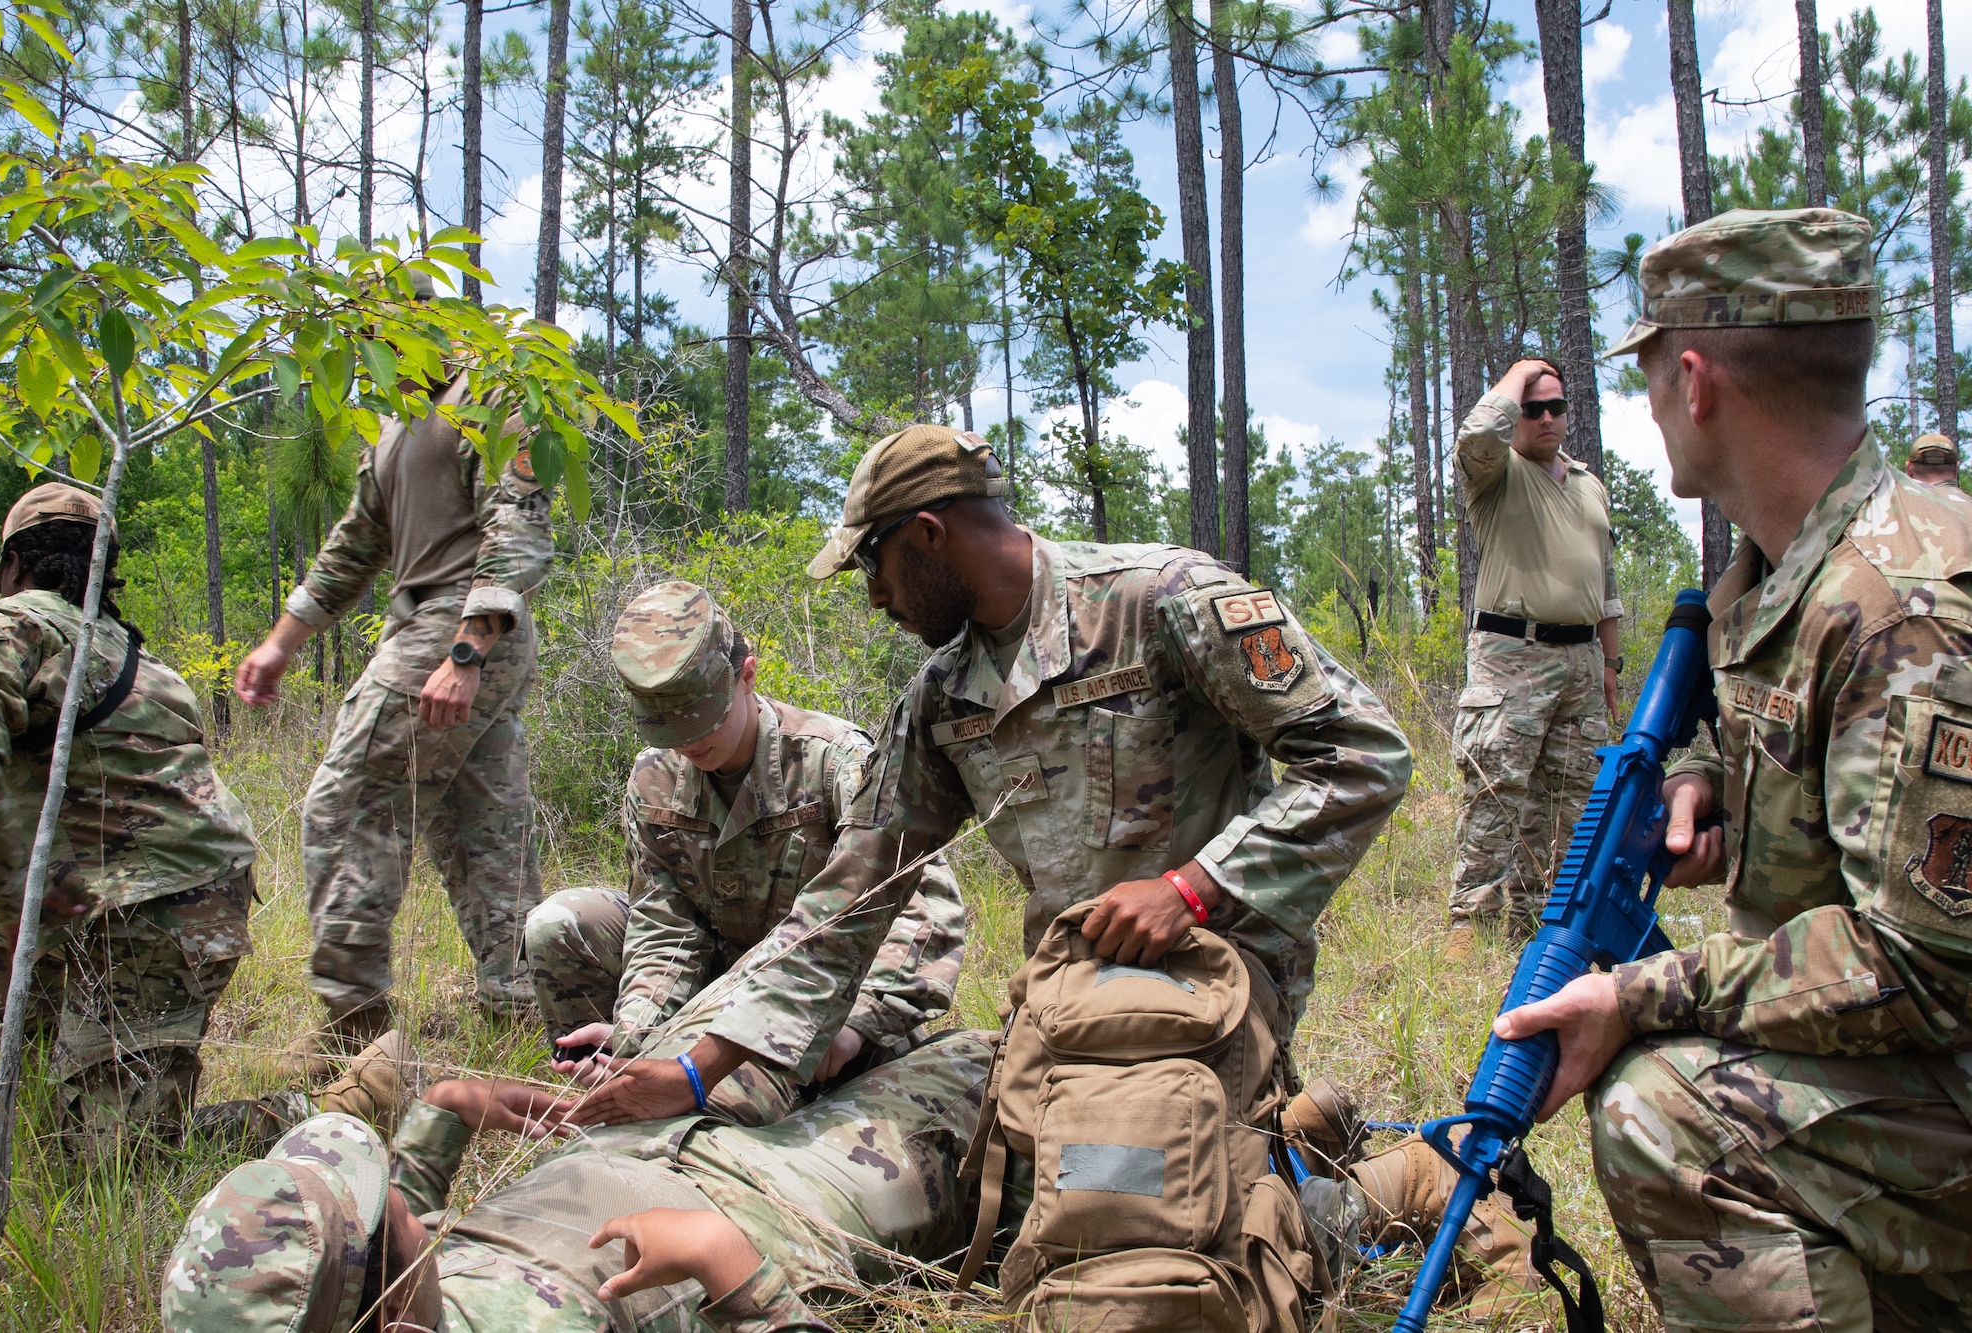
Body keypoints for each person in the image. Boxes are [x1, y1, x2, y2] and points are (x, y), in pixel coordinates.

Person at [559, 425, 1409, 1188]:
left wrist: (1193, 888)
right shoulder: (940, 698)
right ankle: (1285, 1147)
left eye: (874, 567)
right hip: (1066, 1001)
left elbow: (1364, 756)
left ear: (928, 535)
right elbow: (849, 898)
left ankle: (1379, 1192)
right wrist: (703, 1068)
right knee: (976, 1179)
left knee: (1123, 1209)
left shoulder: (1162, 601)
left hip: (1212, 980)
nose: (875, 600)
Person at [1495, 208, 1972, 1331]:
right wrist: (1700, 779)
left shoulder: (1906, 610)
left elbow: (1921, 965)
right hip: (1913, 1058)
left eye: (1649, 371)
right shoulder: (1774, 574)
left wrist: (1637, 993)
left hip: (1938, 1041)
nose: (1646, 401)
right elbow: (1764, 709)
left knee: (1660, 1110)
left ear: (1695, 380)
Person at [160, 1029, 999, 1332]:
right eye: (378, 1218)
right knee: (987, 1060)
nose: (394, 1204)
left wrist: (453, 1106)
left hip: (643, 1138)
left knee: (763, 1025)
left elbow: (409, 1226)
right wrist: (728, 1266)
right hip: (776, 1200)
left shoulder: (398, 1295)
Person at [524, 579, 963, 1125]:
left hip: (826, 1002)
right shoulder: (655, 780)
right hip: (716, 998)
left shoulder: (836, 762)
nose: (688, 743)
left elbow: (924, 910)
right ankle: (614, 1089)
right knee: (558, 922)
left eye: (702, 719)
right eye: (670, 729)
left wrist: (855, 1029)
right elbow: (666, 925)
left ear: (747, 675)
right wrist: (633, 1033)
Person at [233, 357, 553, 1069]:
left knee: (348, 806)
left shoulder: (487, 394)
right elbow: (356, 544)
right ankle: (523, 1011)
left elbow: (518, 532)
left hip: (462, 625)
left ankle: (354, 1028)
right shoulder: (392, 425)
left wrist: (465, 653)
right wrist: (283, 642)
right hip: (434, 627)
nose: (367, 345)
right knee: (482, 824)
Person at [0, 484, 259, 1155]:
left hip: (151, 912)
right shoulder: (137, 656)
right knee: (38, 1133)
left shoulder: (11, 622)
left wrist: (17, 896)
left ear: (14, 563)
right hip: (180, 899)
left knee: (117, 1162)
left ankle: (346, 1101)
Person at [1447, 357, 1623, 959]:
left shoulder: (1588, 483)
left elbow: (1606, 580)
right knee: (1496, 791)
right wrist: (1522, 369)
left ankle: (1545, 929)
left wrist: (1610, 664)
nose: (1547, 418)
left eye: (1556, 406)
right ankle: (1469, 928)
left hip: (1582, 658)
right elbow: (1475, 435)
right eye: (1532, 407)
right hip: (1511, 654)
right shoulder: (1494, 474)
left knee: (1574, 801)